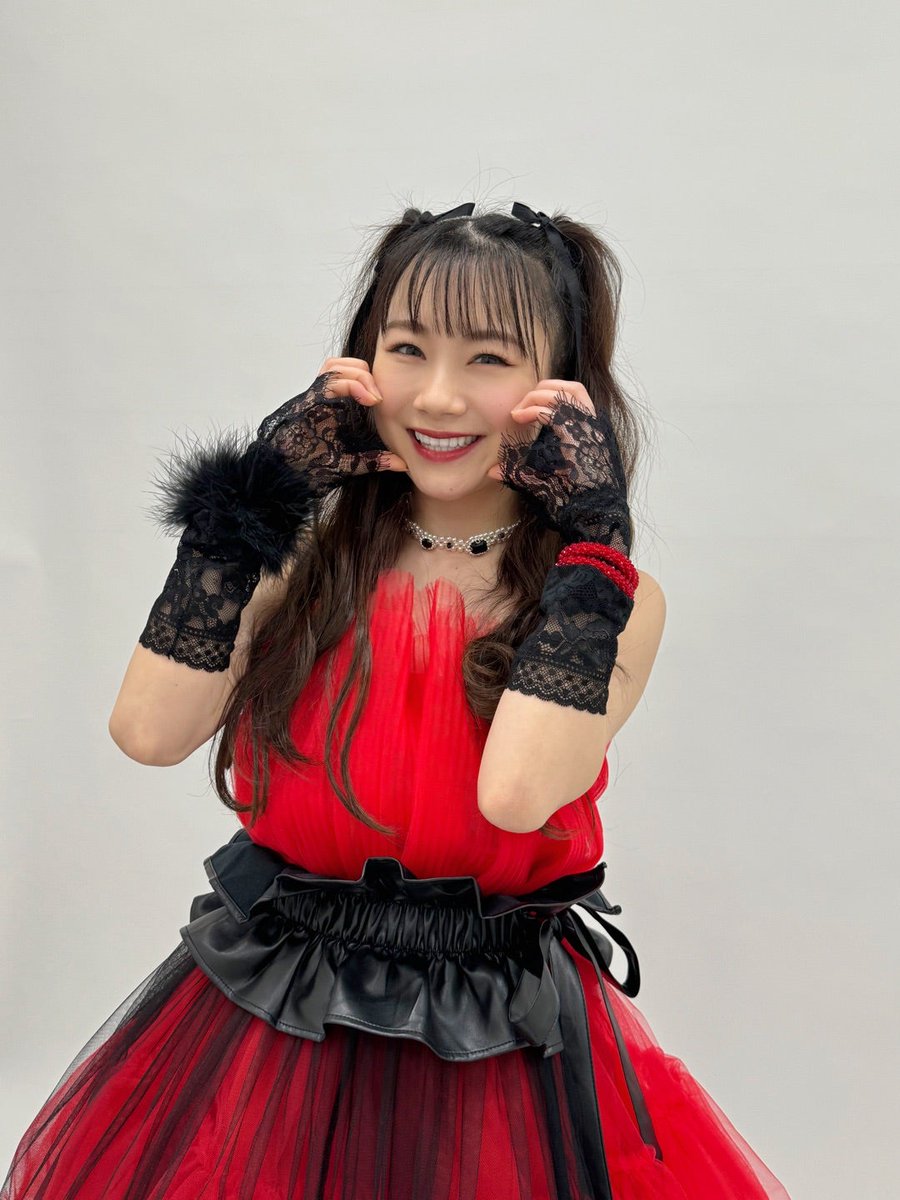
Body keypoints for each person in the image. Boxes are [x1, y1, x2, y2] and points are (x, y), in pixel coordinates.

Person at [1, 201, 792, 1199]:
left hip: (493, 1047)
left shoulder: (600, 604)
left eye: (490, 359)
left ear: (562, 391)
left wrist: (595, 543)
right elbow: (149, 730)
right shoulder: (306, 561)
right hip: (277, 1017)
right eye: (408, 349)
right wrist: (251, 507)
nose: (439, 396)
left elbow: (515, 796)